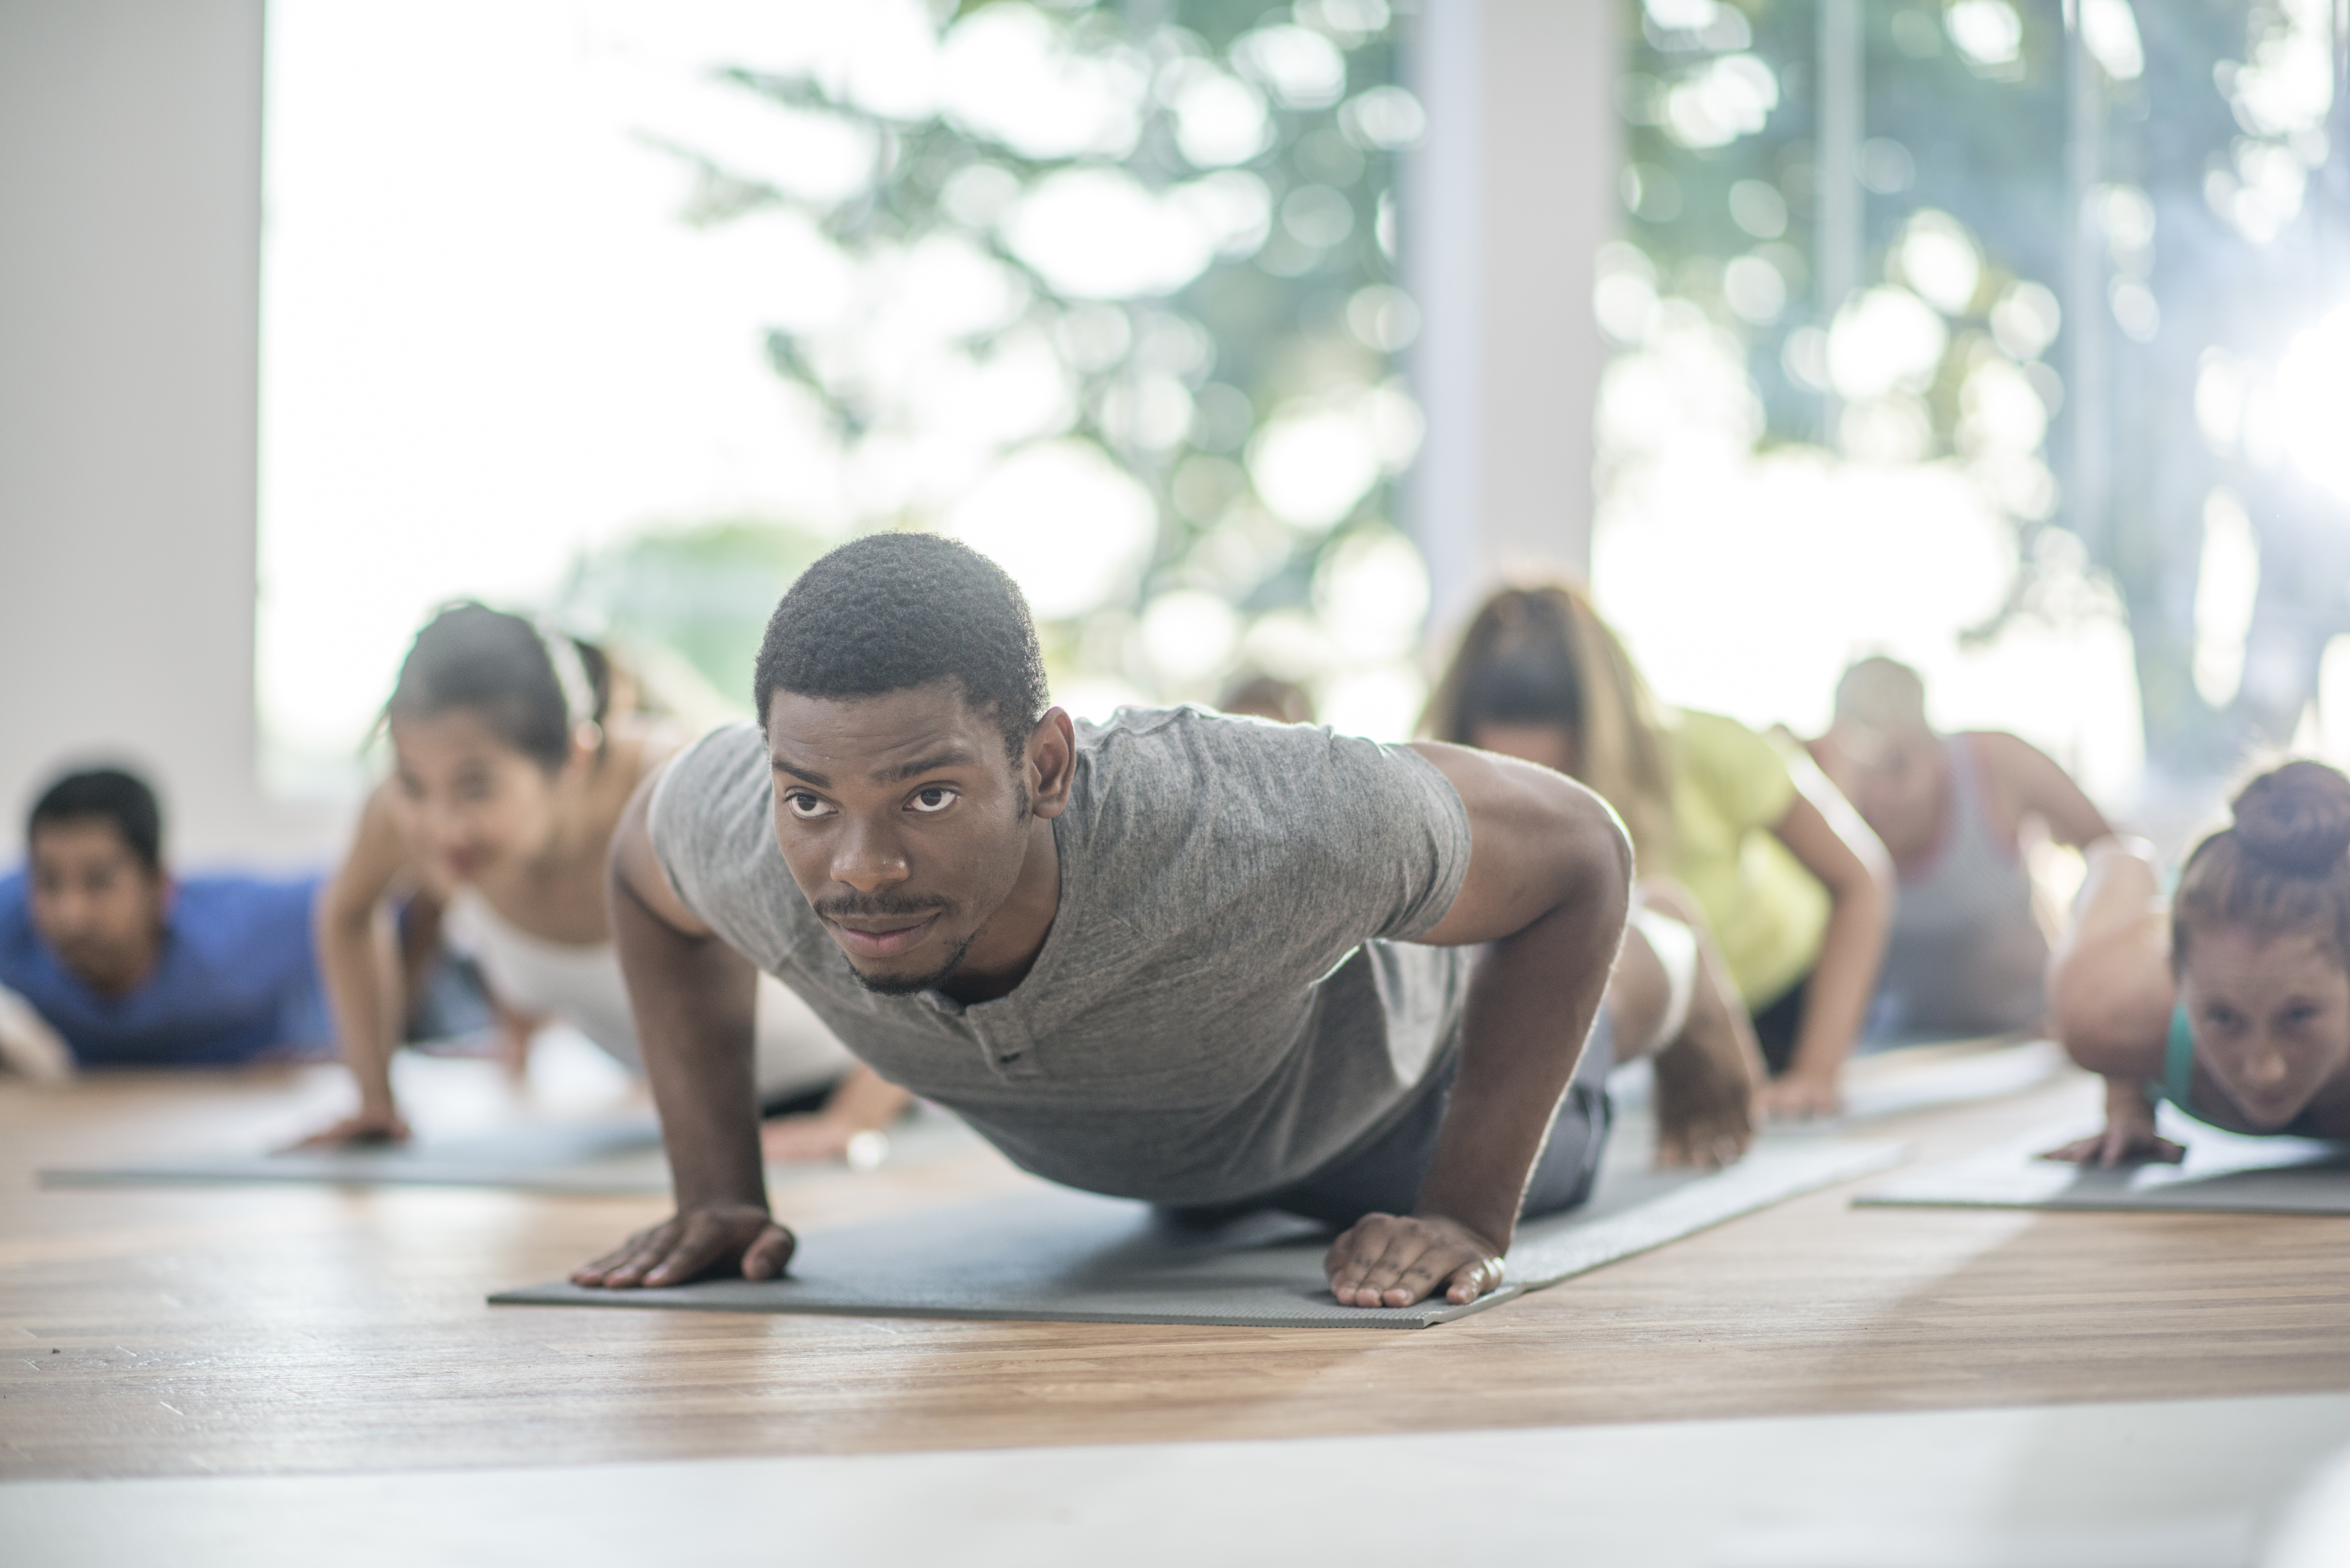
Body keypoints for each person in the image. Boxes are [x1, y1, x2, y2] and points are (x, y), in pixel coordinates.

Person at [569, 534, 1757, 1311]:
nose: (861, 866)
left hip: (1400, 1104)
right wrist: (718, 1184)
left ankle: (1682, 956)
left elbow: (1583, 850)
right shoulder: (738, 822)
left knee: (1617, 994)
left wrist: (1462, 1209)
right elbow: (638, 867)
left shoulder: (1245, 818)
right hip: (1185, 1143)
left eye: (929, 796)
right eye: (811, 801)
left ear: (1043, 764)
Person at [299, 602, 908, 1161]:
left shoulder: (685, 791)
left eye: (475, 787)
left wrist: (853, 1120)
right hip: (698, 1117)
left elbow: (904, 916)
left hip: (861, 1083)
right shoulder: (411, 818)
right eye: (411, 783)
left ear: (575, 757)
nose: (440, 826)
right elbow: (347, 915)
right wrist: (374, 1099)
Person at [1424, 584, 1891, 1119]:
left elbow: (1862, 878)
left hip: (1790, 1003)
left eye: (1561, 779)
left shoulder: (1714, 749)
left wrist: (1816, 1074)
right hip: (1662, 1024)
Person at [2047, 760, 2350, 1164]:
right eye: (2222, 1019)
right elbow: (2115, 859)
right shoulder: (2103, 1009)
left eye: (2299, 1016)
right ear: (2175, 977)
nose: (2264, 1070)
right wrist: (2125, 1098)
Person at [1810, 656, 2116, 1044]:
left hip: (2031, 1034)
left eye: (1897, 767)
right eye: (1863, 775)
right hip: (1898, 1050)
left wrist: (2087, 989)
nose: (1880, 798)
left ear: (1934, 749)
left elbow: (2118, 858)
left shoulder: (1997, 765)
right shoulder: (1829, 805)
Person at [0, 767, 331, 1068]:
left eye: (99, 882)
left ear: (160, 886)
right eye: (48, 882)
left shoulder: (241, 929)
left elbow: (362, 896)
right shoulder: (13, 920)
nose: (72, 915)